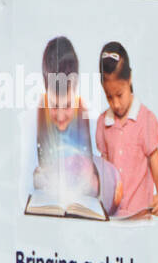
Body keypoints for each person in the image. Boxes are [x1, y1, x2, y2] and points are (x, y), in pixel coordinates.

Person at [33, 35, 120, 214]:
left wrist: (87, 178)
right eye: (54, 106)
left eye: (67, 105)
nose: (61, 115)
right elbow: (44, 163)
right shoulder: (41, 111)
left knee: (97, 181)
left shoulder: (81, 110)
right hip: (60, 184)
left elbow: (87, 165)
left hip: (88, 180)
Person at [95, 42, 158, 217]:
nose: (116, 104)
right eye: (109, 97)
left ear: (130, 79)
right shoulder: (103, 123)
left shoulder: (146, 121)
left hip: (139, 219)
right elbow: (103, 173)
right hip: (111, 220)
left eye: (119, 94)